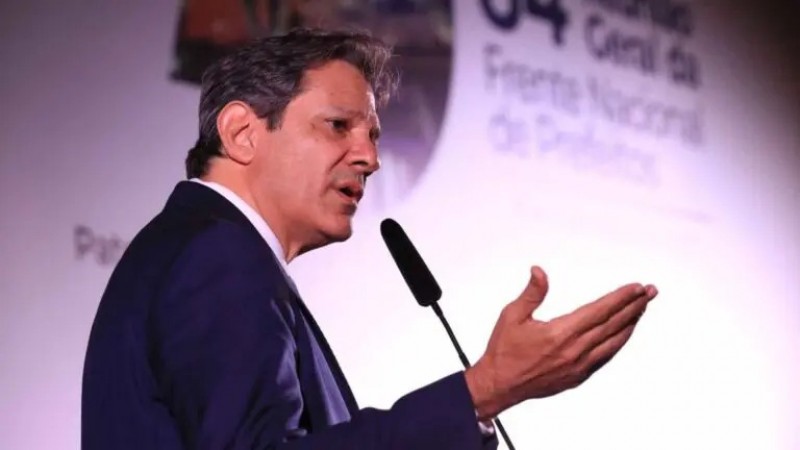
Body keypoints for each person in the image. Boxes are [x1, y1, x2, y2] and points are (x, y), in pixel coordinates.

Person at [81, 28, 658, 449]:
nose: (370, 158)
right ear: (242, 132)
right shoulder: (218, 254)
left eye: (374, 136)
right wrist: (483, 390)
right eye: (338, 126)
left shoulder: (196, 247)